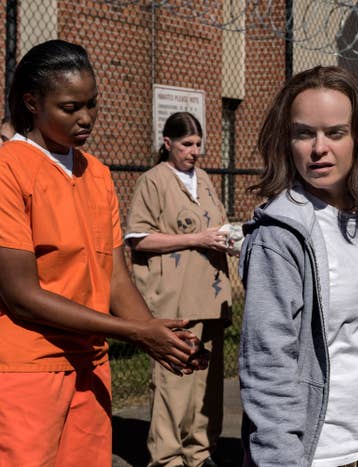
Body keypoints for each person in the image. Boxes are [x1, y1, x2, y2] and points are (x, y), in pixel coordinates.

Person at [0, 40, 201, 467]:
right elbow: (20, 293)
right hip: (27, 368)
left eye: (93, 105)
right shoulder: (9, 169)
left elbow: (114, 278)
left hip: (90, 366)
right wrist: (133, 332)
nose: (86, 118)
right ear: (32, 102)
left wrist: (157, 335)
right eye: (70, 107)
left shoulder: (97, 175)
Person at [238, 65, 358, 467]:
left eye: (335, 133)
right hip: (307, 457)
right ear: (287, 141)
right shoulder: (281, 235)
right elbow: (267, 368)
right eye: (304, 133)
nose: (318, 148)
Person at [125, 111, 233, 467]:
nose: (195, 151)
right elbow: (138, 239)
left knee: (207, 383)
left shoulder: (202, 179)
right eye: (187, 144)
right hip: (175, 297)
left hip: (210, 295)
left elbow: (215, 224)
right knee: (175, 381)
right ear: (167, 143)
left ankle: (199, 452)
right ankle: (168, 457)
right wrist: (195, 238)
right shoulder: (154, 181)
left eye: (199, 144)